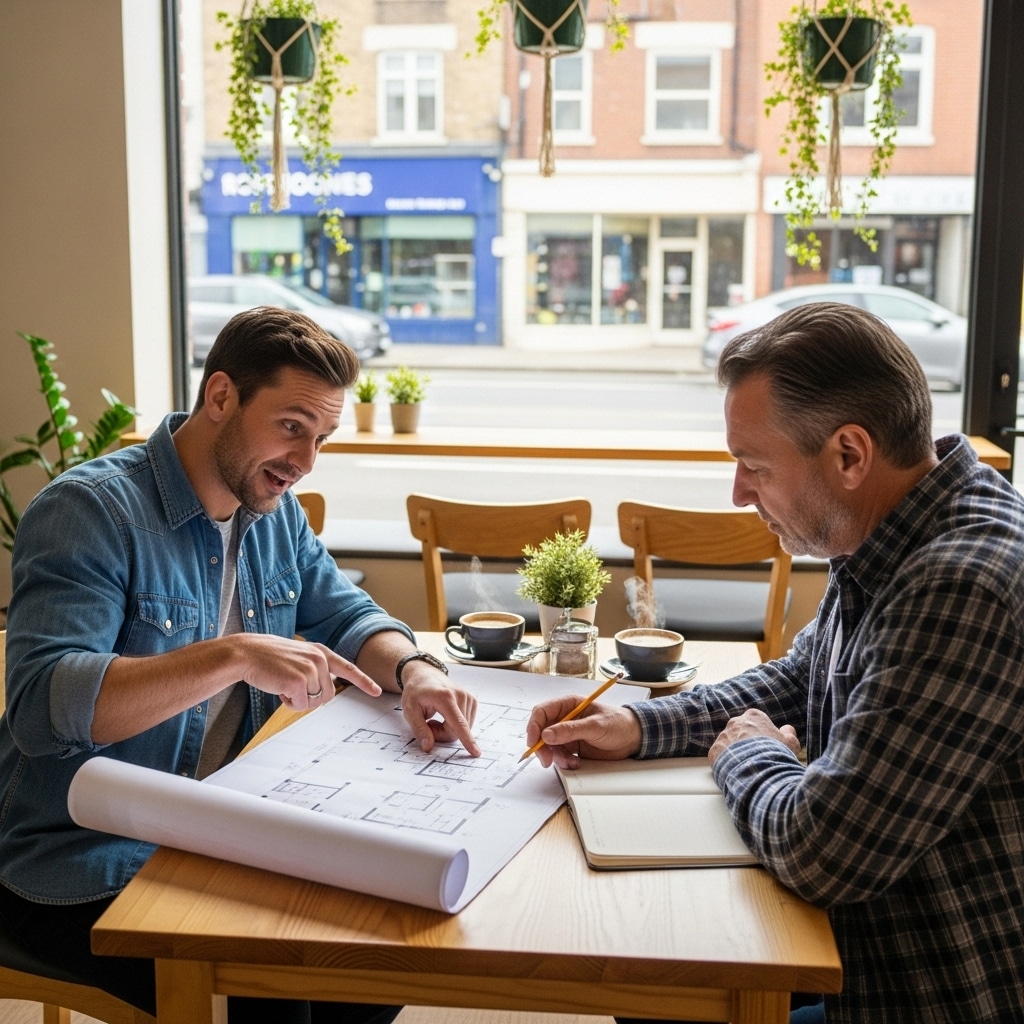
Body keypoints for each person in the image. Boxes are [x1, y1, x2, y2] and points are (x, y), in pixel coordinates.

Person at [525, 302, 1024, 1024]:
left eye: (754, 466)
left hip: (927, 994)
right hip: (865, 959)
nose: (738, 492)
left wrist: (748, 755)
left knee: (659, 985)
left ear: (849, 455)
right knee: (662, 978)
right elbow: (801, 678)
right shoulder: (899, 528)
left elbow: (826, 851)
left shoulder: (960, 583)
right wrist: (637, 725)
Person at [0, 306, 481, 1024]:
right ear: (220, 397)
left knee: (378, 946)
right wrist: (228, 656)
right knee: (279, 976)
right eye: (291, 426)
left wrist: (414, 668)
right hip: (83, 854)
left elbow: (344, 614)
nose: (305, 460)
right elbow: (43, 708)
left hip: (225, 820)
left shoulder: (272, 507)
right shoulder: (89, 512)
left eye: (321, 438)